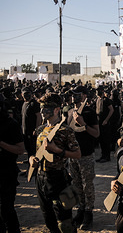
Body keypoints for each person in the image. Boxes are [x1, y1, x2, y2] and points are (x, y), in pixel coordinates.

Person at [29, 93, 81, 233]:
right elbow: (36, 153)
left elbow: (77, 154)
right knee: (49, 220)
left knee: (65, 223)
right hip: (41, 177)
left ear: (57, 110)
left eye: (45, 108)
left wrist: (57, 150)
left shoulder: (65, 130)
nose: (42, 111)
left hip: (58, 179)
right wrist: (32, 160)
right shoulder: (41, 129)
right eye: (41, 108)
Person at [67, 85, 99, 230]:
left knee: (88, 186)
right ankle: (80, 209)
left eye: (77, 94)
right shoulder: (68, 111)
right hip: (72, 155)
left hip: (85, 154)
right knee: (76, 184)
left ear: (84, 95)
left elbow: (96, 133)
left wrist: (83, 123)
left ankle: (88, 213)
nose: (74, 96)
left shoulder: (89, 112)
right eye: (72, 94)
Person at [0, 93, 25, 233]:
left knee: (7, 210)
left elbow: (20, 149)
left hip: (7, 173)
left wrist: (1, 144)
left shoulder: (11, 124)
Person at [21, 87, 42, 160]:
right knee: (27, 147)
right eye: (24, 94)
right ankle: (29, 158)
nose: (26, 96)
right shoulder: (24, 103)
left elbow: (39, 117)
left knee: (32, 147)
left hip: (32, 131)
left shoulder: (34, 104)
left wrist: (36, 129)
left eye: (28, 93)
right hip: (25, 130)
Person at [95, 86, 114, 162]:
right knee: (101, 140)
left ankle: (107, 156)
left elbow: (111, 110)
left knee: (106, 140)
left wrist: (106, 120)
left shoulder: (106, 100)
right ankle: (103, 156)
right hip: (99, 122)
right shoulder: (97, 100)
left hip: (105, 123)